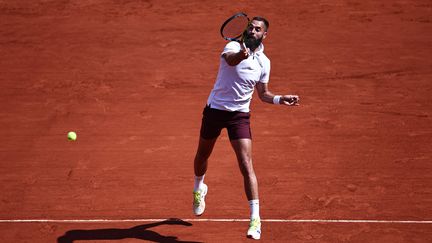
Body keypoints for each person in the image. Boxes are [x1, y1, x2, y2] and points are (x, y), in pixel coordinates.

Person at [192, 16, 299, 240]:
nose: (252, 31)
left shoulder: (265, 62)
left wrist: (280, 99)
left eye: (257, 29)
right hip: (215, 110)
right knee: (202, 156)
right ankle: (199, 188)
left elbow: (263, 94)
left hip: (239, 116)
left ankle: (255, 220)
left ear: (264, 35)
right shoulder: (233, 46)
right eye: (250, 27)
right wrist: (242, 55)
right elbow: (230, 60)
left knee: (246, 164)